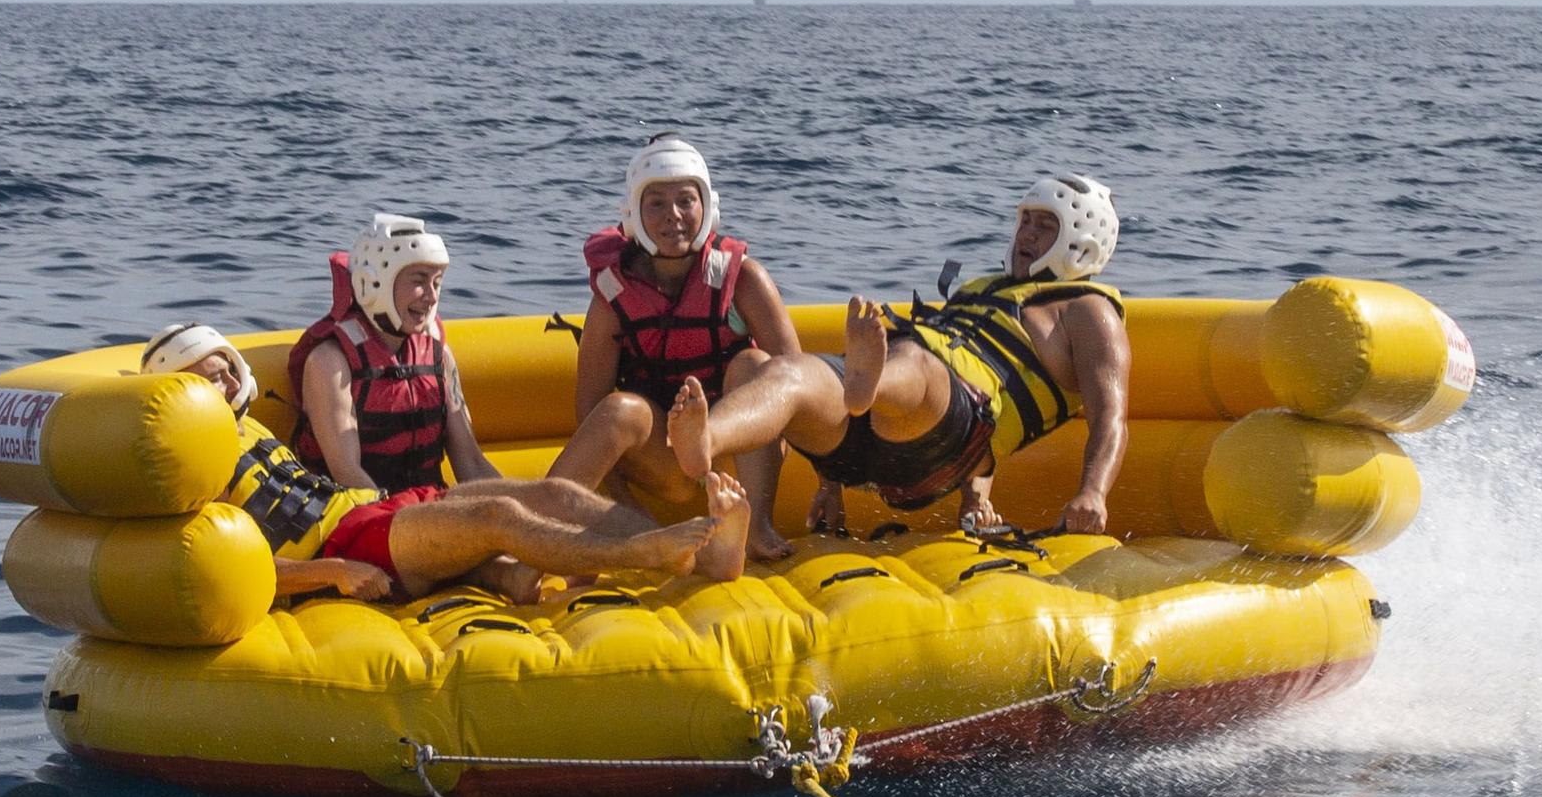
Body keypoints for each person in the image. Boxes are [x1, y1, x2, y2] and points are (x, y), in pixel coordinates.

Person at [139, 323, 750, 602]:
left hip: (371, 514)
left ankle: (702, 553)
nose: (220, 386)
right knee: (498, 516)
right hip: (342, 547)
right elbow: (228, 562)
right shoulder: (192, 467)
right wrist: (332, 574)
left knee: (554, 496)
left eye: (224, 371)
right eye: (201, 381)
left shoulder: (247, 430)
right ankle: (644, 555)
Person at [664, 175, 1132, 535]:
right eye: (1025, 219)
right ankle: (707, 441)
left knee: (918, 360)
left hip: (949, 439)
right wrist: (829, 485)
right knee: (776, 369)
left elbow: (1111, 417)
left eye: (1045, 224)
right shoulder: (981, 290)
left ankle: (869, 384)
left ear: (1081, 242)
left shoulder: (1089, 312)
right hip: (870, 443)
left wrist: (1093, 492)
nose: (1027, 233)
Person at [547, 134, 803, 560]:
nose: (674, 217)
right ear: (632, 213)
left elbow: (803, 384)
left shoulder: (744, 281)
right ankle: (535, 546)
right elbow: (588, 411)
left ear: (708, 206)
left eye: (686, 201)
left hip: (734, 458)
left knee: (755, 365)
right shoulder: (614, 296)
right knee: (616, 410)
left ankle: (755, 525)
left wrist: (830, 484)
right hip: (667, 465)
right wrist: (618, 499)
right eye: (657, 204)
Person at [286, 213, 492, 495]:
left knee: (553, 497)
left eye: (437, 283)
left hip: (428, 514)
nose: (431, 296)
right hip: (360, 517)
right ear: (374, 281)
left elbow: (471, 464)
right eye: (419, 280)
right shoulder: (330, 361)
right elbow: (347, 473)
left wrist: (527, 506)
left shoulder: (438, 356)